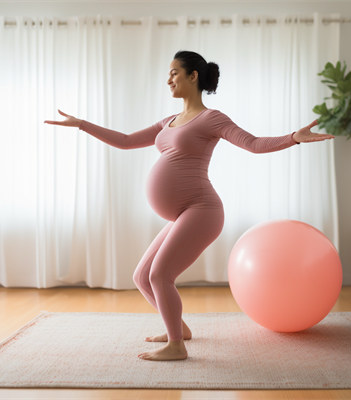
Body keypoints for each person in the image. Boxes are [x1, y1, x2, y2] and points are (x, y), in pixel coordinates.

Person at [44, 50, 334, 361]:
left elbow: (253, 144)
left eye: (174, 73)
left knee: (160, 275)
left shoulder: (212, 118)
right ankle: (178, 329)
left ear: (193, 76)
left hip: (202, 210)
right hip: (182, 213)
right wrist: (82, 124)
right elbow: (127, 140)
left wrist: (294, 137)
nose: (168, 79)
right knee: (142, 277)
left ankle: (175, 347)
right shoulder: (168, 121)